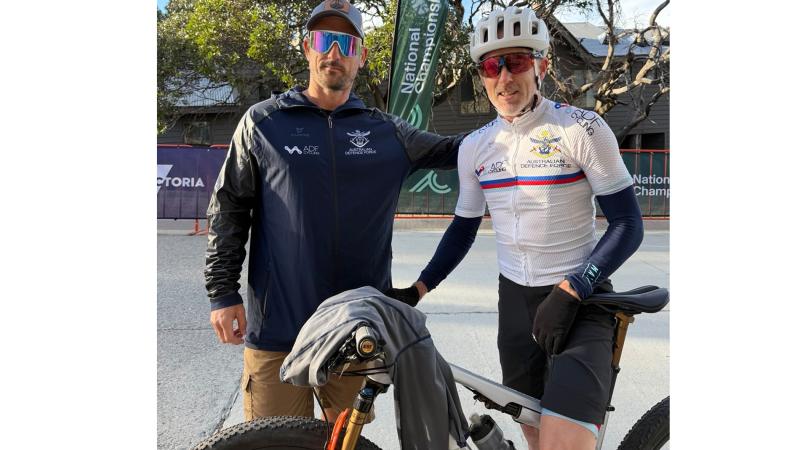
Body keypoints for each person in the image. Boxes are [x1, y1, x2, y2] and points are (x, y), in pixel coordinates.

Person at [391, 6, 644, 450]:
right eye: (492, 66)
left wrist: (573, 289)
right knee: (533, 433)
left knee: (562, 443)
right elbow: (462, 228)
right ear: (482, 76)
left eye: (518, 62)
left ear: (541, 66)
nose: (505, 78)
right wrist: (418, 289)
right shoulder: (474, 147)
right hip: (515, 305)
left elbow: (628, 224)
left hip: (580, 301)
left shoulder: (582, 128)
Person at [204, 0, 463, 424]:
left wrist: (521, 124)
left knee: (347, 443)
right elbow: (229, 207)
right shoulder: (264, 123)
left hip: (355, 331)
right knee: (273, 442)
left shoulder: (388, 133)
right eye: (324, 40)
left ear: (361, 55)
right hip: (277, 331)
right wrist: (222, 291)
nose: (334, 52)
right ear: (308, 47)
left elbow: (459, 150)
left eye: (346, 42)